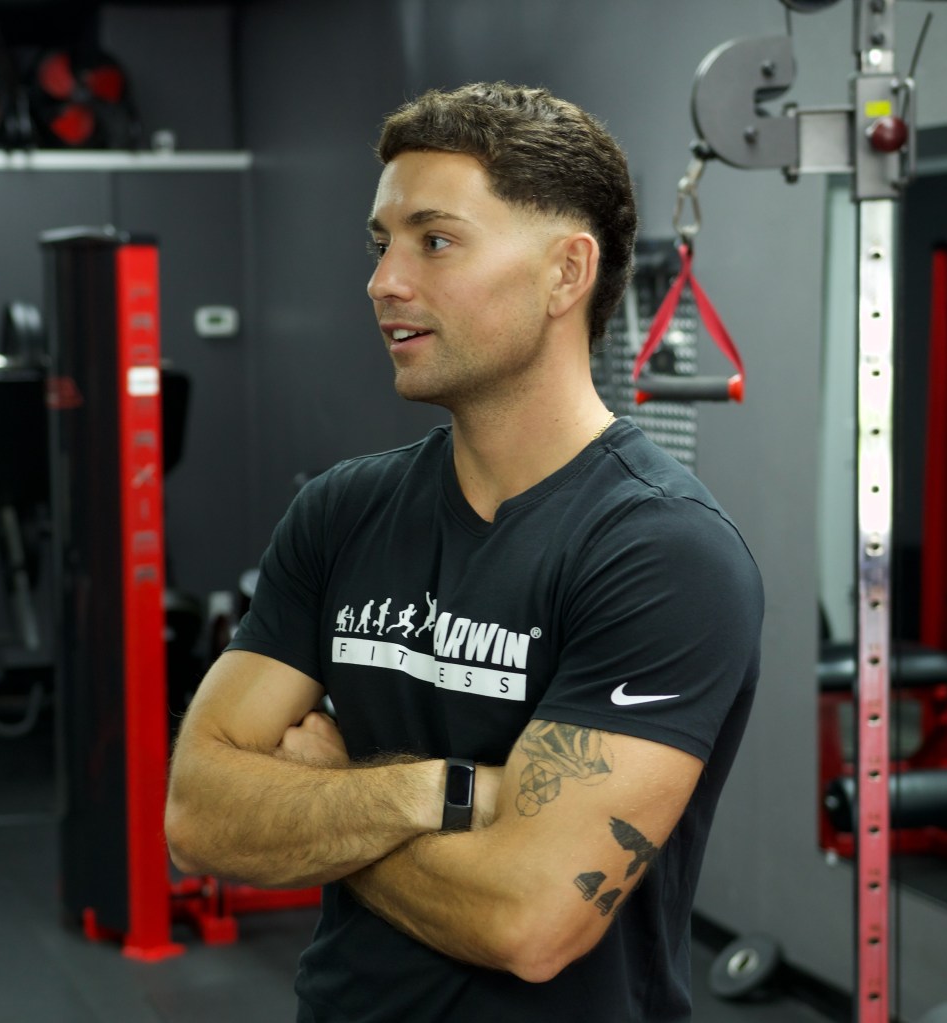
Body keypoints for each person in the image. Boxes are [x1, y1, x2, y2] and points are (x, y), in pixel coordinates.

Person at [165, 81, 764, 1022]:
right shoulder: (341, 512)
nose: (383, 282)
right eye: (381, 244)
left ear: (566, 273)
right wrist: (433, 793)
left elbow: (528, 922)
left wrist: (323, 794)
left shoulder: (661, 552)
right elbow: (198, 816)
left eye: (435, 241)